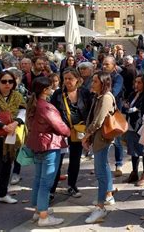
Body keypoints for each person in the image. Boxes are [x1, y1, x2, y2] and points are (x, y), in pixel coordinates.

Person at [26, 77, 71, 226]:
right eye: (50, 87)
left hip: (38, 145)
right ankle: (43, 217)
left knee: (38, 180)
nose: (52, 89)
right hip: (49, 145)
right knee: (46, 182)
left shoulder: (33, 104)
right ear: (45, 90)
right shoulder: (46, 107)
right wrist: (68, 131)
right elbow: (60, 127)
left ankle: (38, 211)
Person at [50, 68, 92, 199]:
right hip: (61, 132)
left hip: (79, 131)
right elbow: (52, 112)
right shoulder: (58, 94)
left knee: (75, 159)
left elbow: (90, 110)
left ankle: (72, 185)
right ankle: (51, 189)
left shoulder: (84, 93)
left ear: (77, 80)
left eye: (70, 79)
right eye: (65, 79)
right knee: (57, 160)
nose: (67, 81)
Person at [82, 72, 117, 224]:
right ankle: (108, 196)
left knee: (100, 173)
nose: (92, 84)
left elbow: (98, 121)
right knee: (104, 167)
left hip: (101, 139)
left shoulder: (106, 98)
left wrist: (86, 135)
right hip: (99, 138)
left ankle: (100, 207)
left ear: (103, 83)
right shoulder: (100, 97)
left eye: (95, 81)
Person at [0, 71, 26, 212]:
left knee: (7, 164)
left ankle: (3, 194)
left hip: (11, 135)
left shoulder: (17, 96)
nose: (7, 84)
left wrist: (15, 123)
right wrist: (3, 126)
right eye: (3, 81)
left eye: (10, 81)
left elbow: (23, 110)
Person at [123, 75, 144, 184]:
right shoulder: (132, 94)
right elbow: (125, 107)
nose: (136, 85)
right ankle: (134, 172)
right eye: (135, 82)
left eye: (139, 82)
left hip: (140, 125)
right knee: (133, 150)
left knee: (143, 150)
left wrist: (132, 109)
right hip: (130, 125)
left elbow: (140, 109)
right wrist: (128, 108)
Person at [102, 56, 124, 177]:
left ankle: (119, 164)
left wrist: (102, 93)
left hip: (114, 113)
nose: (104, 66)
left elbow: (114, 93)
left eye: (107, 64)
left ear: (114, 66)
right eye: (103, 64)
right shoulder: (100, 76)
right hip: (102, 112)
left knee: (117, 140)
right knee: (102, 139)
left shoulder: (118, 77)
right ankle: (103, 165)